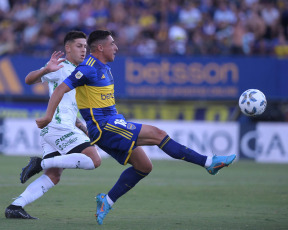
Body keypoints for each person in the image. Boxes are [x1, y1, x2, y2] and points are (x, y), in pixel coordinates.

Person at [35, 30, 236, 225]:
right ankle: (209, 162)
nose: (116, 47)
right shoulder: (87, 68)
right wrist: (48, 116)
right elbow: (61, 88)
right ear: (100, 47)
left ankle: (107, 201)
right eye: (112, 43)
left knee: (144, 166)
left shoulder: (103, 67)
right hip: (105, 127)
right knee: (159, 135)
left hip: (111, 124)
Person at [5, 31, 101, 219]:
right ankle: (40, 163)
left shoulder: (78, 73)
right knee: (94, 160)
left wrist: (81, 126)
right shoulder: (61, 66)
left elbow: (66, 106)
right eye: (79, 46)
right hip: (58, 128)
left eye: (85, 47)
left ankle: (15, 206)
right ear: (68, 48)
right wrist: (45, 70)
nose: (84, 50)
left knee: (54, 175)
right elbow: (28, 79)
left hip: (58, 129)